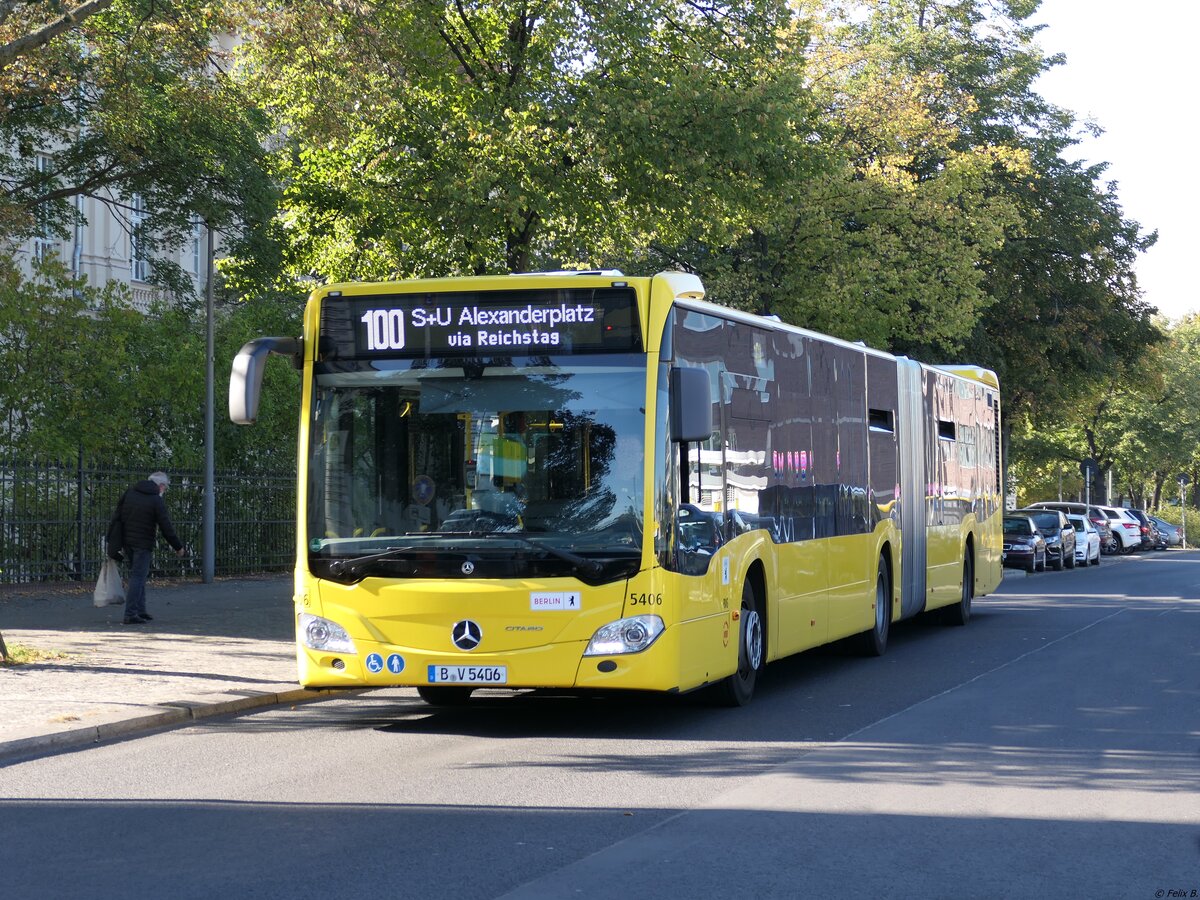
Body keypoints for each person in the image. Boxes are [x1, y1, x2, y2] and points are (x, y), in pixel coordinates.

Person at [111, 471, 186, 625]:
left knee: (138, 576)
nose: (164, 490)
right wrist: (178, 546)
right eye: (165, 487)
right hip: (143, 543)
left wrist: (113, 540)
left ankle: (140, 610)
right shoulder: (155, 500)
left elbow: (117, 516)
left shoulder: (130, 493)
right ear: (161, 486)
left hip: (127, 541)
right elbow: (166, 526)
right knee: (138, 577)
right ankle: (131, 613)